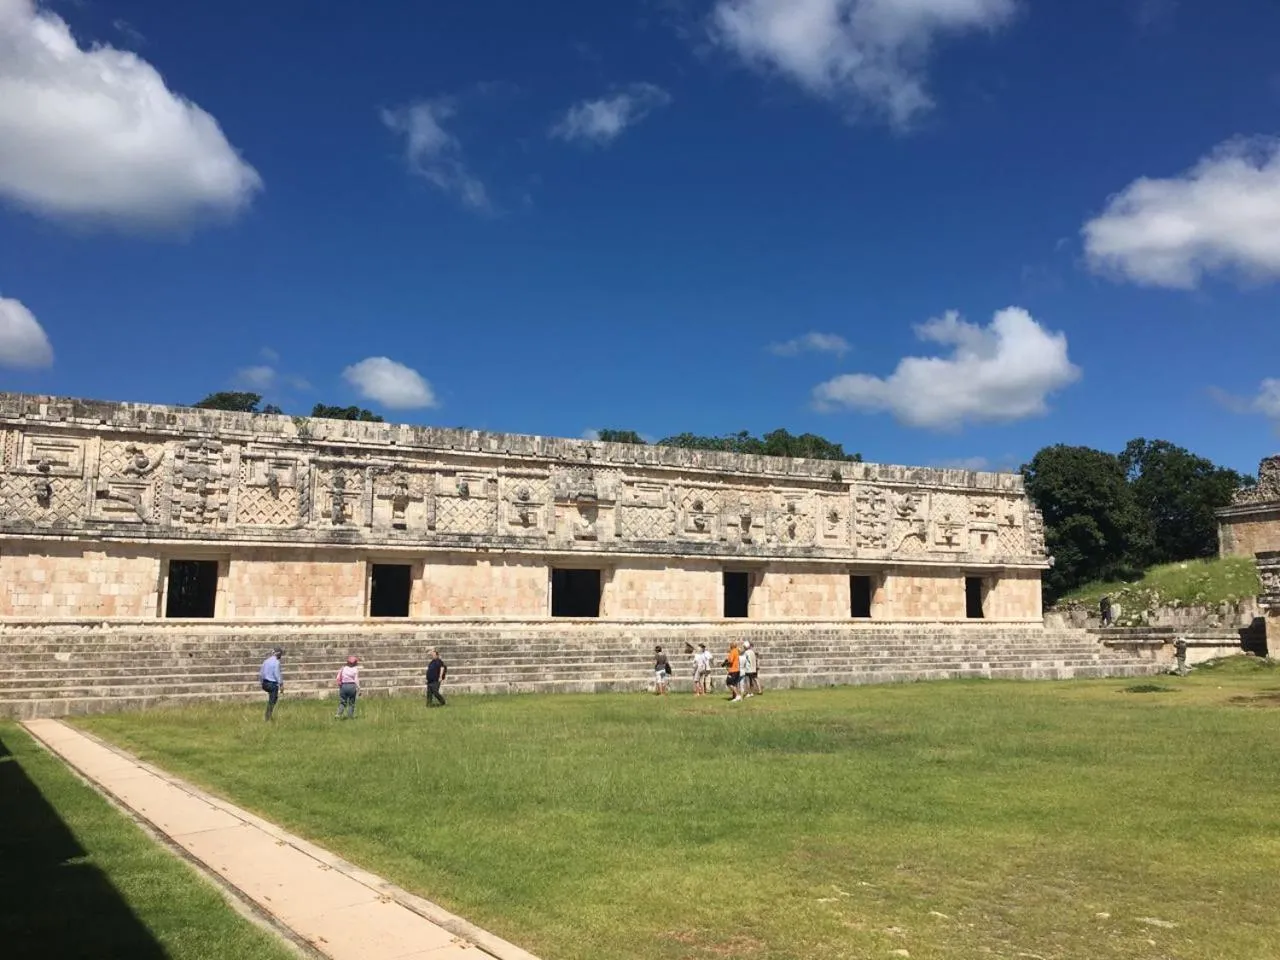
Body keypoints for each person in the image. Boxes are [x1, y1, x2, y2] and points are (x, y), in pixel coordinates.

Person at [259, 647, 284, 722]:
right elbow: (277, 674)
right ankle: (267, 717)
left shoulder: (266, 661)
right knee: (272, 701)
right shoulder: (276, 662)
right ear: (278, 654)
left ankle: (268, 716)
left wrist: (261, 682)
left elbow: (261, 673)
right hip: (272, 684)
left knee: (272, 698)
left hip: (265, 683)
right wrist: (281, 684)